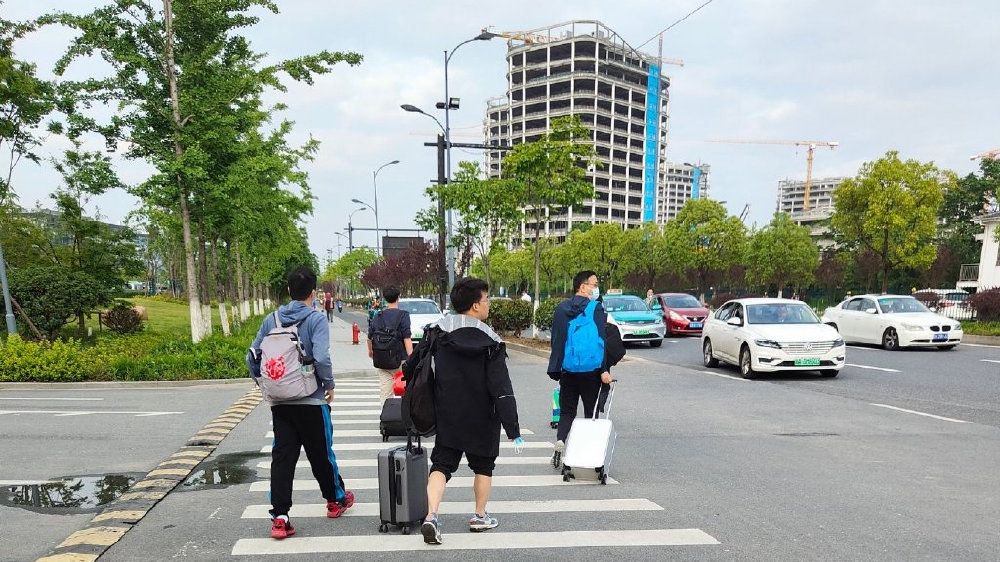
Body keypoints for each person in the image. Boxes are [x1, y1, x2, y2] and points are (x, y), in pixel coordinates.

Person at [246, 266, 354, 540]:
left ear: (289, 290)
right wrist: (329, 385)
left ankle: (280, 517)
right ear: (314, 292)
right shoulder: (315, 319)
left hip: (281, 403)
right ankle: (334, 501)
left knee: (282, 459)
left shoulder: (272, 319)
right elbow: (321, 358)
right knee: (321, 454)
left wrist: (267, 384)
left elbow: (252, 356)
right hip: (311, 401)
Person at [414, 277, 523, 545]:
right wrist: (513, 428)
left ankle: (431, 516)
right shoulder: (492, 341)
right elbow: (501, 388)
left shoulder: (437, 332)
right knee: (483, 467)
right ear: (475, 305)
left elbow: (414, 366)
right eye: (486, 299)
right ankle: (479, 515)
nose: (488, 305)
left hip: (448, 412)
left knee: (441, 465)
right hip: (483, 417)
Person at [546, 270, 612, 457]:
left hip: (568, 369)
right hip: (591, 371)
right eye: (594, 284)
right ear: (583, 287)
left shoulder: (561, 309)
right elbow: (601, 342)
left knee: (567, 412)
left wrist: (556, 368)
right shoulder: (595, 308)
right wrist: (604, 370)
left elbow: (557, 340)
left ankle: (560, 441)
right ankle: (588, 453)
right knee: (590, 413)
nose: (596, 288)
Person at [368, 286, 413, 404]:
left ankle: (386, 418)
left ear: (385, 299)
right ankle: (404, 417)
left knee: (385, 393)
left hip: (382, 359)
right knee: (404, 390)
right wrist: (412, 357)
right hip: (400, 359)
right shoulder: (403, 315)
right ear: (398, 298)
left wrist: (371, 352)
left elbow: (370, 337)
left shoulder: (378, 316)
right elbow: (406, 338)